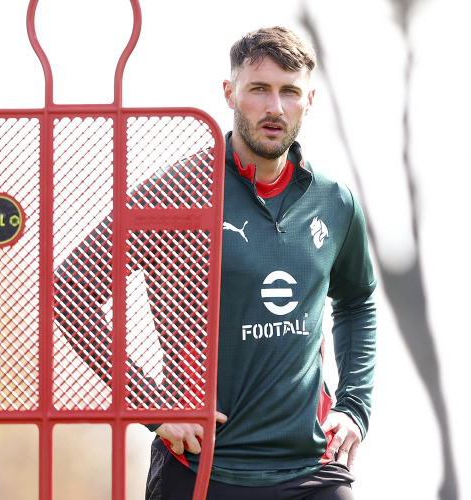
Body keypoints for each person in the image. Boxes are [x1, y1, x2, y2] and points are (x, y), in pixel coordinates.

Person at [144, 26, 377, 499]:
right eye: (259, 89)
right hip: (202, 466)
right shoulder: (177, 192)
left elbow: (358, 302)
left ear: (309, 100)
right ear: (229, 92)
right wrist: (151, 404)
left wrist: (355, 406)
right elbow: (70, 290)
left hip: (311, 469)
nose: (275, 107)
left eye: (289, 91)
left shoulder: (335, 202)